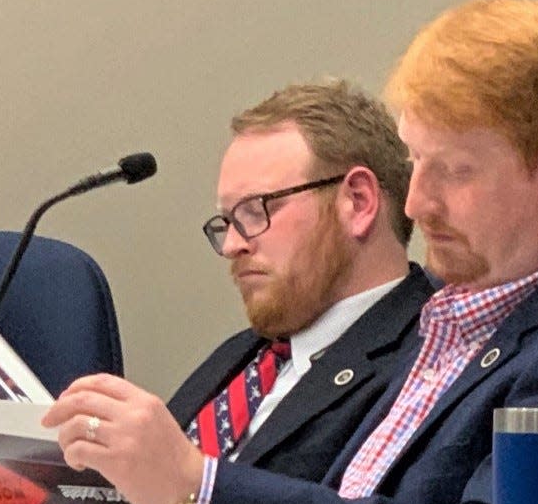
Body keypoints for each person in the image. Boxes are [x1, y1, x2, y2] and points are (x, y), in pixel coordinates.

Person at [43, 0, 538, 504]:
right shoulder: (441, 320)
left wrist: (198, 490)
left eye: (454, 171)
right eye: (415, 166)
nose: (414, 204)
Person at [166, 80, 435, 481]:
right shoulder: (242, 358)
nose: (233, 245)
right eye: (227, 220)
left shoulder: (430, 360)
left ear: (358, 202)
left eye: (256, 210)